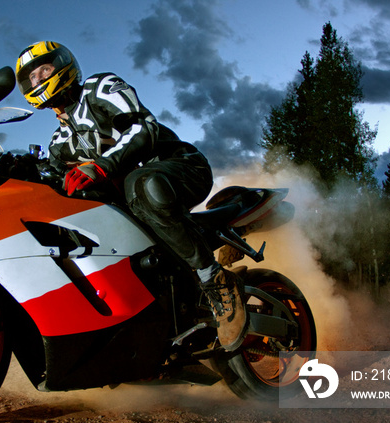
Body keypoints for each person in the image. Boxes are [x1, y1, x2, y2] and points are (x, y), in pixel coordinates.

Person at [15, 41, 247, 351]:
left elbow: (142, 127)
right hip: (134, 202)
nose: (39, 79)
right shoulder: (59, 142)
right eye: (31, 77)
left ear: (63, 65)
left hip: (178, 167)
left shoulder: (99, 88)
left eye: (44, 69)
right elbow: (53, 181)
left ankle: (216, 279)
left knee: (140, 184)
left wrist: (102, 166)